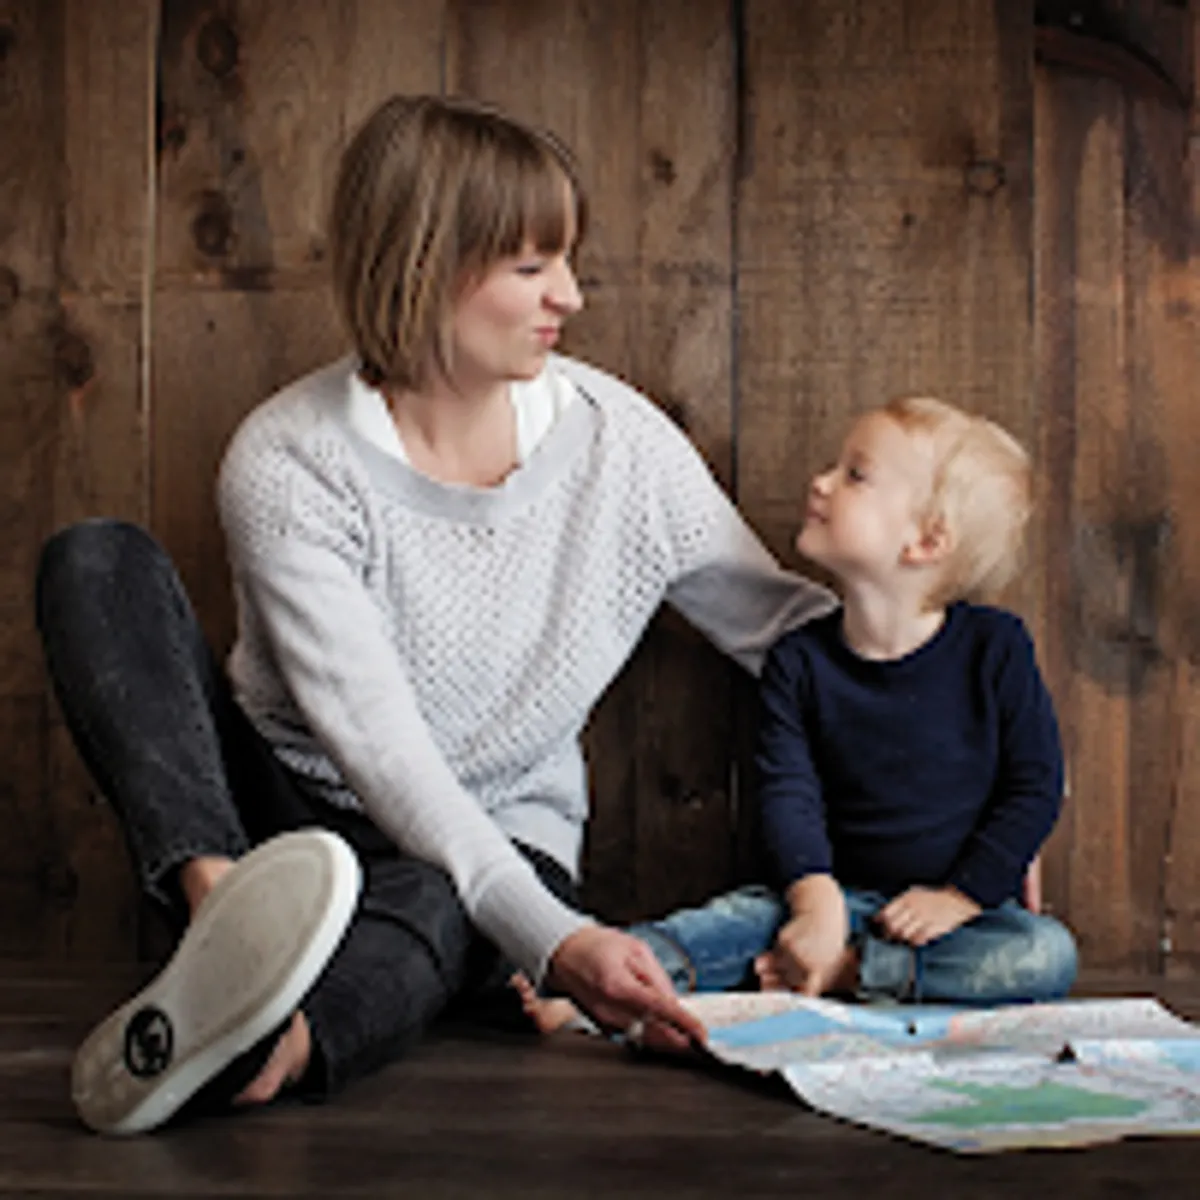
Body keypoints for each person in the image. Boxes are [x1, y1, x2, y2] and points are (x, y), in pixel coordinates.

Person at [34, 93, 835, 1136]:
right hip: (283, 813)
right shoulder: (289, 461)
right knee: (96, 560)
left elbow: (789, 631)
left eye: (567, 260)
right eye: (532, 266)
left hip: (494, 839)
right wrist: (561, 945)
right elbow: (382, 751)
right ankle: (225, 917)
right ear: (425, 264)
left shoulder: (622, 448)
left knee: (442, 898)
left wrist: (989, 762)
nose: (570, 296)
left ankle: (273, 1044)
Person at [521, 396, 1078, 1034]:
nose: (821, 482)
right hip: (829, 893)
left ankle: (848, 974)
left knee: (1045, 954)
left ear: (926, 540)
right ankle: (593, 987)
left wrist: (962, 897)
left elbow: (1035, 785)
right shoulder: (799, 661)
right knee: (728, 923)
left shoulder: (996, 648)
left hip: (955, 918)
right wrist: (815, 903)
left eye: (855, 475)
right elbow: (789, 794)